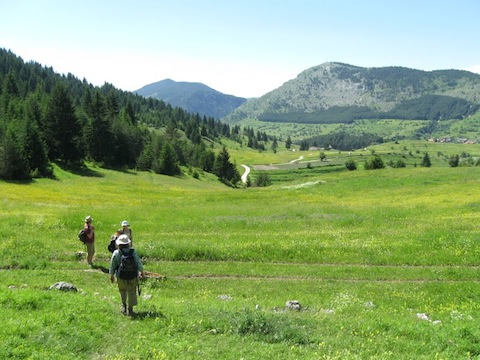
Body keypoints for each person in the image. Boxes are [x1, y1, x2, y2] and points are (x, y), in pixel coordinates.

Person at [109, 234, 144, 316]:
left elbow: (112, 265)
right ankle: (130, 309)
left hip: (120, 276)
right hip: (132, 276)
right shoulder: (133, 252)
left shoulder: (116, 253)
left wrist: (111, 275)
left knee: (122, 291)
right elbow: (138, 262)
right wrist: (141, 271)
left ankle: (124, 306)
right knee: (132, 291)